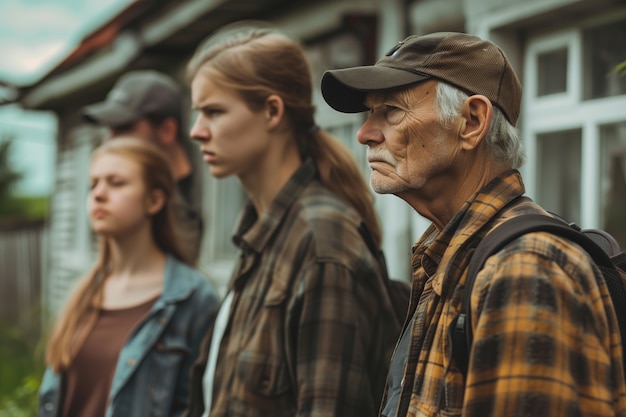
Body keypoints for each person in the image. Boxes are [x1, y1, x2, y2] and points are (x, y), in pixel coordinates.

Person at [320, 31, 626, 417]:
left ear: (471, 121)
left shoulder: (524, 270)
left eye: (392, 110)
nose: (365, 134)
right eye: (370, 111)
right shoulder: (450, 257)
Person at [184, 24, 403, 417]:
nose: (196, 131)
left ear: (271, 111)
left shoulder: (323, 242)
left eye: (213, 112)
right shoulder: (263, 231)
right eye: (198, 113)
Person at [38, 137, 220, 417]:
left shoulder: (193, 299)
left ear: (154, 200)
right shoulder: (84, 293)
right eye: (93, 183)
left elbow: (198, 407)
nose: (99, 194)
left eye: (116, 183)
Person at [83, 70, 203, 264]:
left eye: (123, 128)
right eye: (109, 130)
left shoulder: (214, 188)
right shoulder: (106, 192)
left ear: (167, 131)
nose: (110, 141)